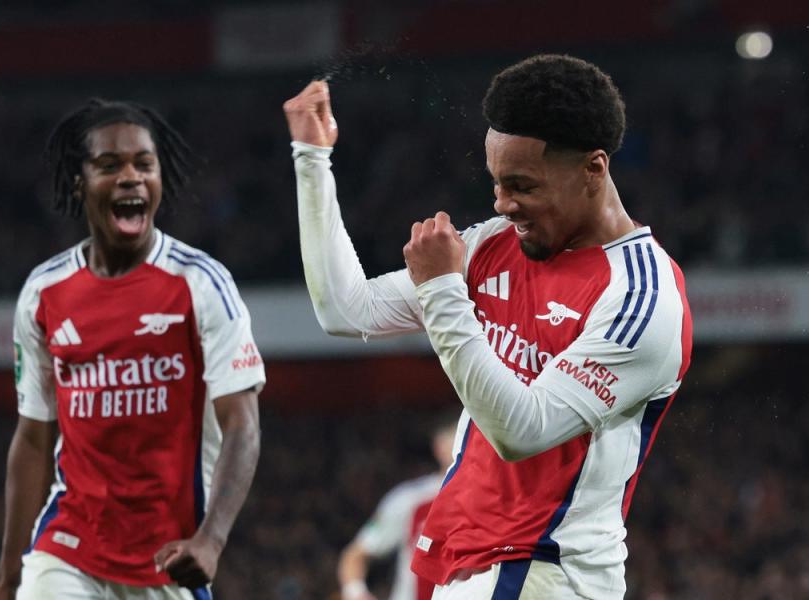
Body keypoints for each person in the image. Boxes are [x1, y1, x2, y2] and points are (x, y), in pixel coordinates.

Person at [284, 54, 692, 599]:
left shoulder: (643, 298)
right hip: (471, 565)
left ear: (593, 169)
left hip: (544, 571)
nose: (503, 203)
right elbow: (345, 308)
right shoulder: (495, 245)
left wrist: (442, 293)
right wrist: (312, 159)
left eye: (523, 184)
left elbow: (520, 432)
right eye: (497, 183)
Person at [0, 99, 265, 600]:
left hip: (169, 558)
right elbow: (33, 437)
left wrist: (212, 540)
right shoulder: (44, 292)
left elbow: (242, 423)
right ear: (79, 183)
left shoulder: (201, 285)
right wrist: (8, 574)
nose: (130, 177)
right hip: (68, 546)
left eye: (143, 164)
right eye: (110, 165)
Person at [338, 420, 457, 600]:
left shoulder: (496, 498)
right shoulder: (409, 499)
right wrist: (356, 592)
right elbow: (355, 555)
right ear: (439, 447)